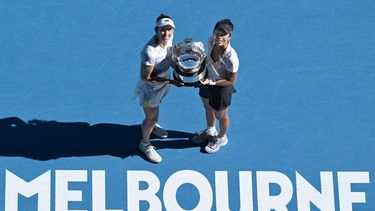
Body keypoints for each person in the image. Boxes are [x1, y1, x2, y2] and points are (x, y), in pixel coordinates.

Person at [134, 14, 183, 163]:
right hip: (150, 91)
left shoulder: (169, 39)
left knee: (154, 113)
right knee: (151, 117)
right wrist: (171, 81)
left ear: (173, 30)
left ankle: (152, 125)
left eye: (169, 30)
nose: (166, 34)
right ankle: (145, 144)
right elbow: (146, 76)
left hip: (163, 84)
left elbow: (171, 56)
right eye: (162, 30)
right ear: (156, 30)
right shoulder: (150, 51)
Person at [192, 19, 239, 153]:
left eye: (223, 34)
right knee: (207, 107)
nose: (219, 36)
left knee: (221, 116)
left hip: (221, 88)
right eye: (217, 32)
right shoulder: (211, 41)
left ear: (229, 36)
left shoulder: (231, 58)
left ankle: (222, 137)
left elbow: (231, 81)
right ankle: (211, 131)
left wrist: (211, 82)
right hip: (207, 81)